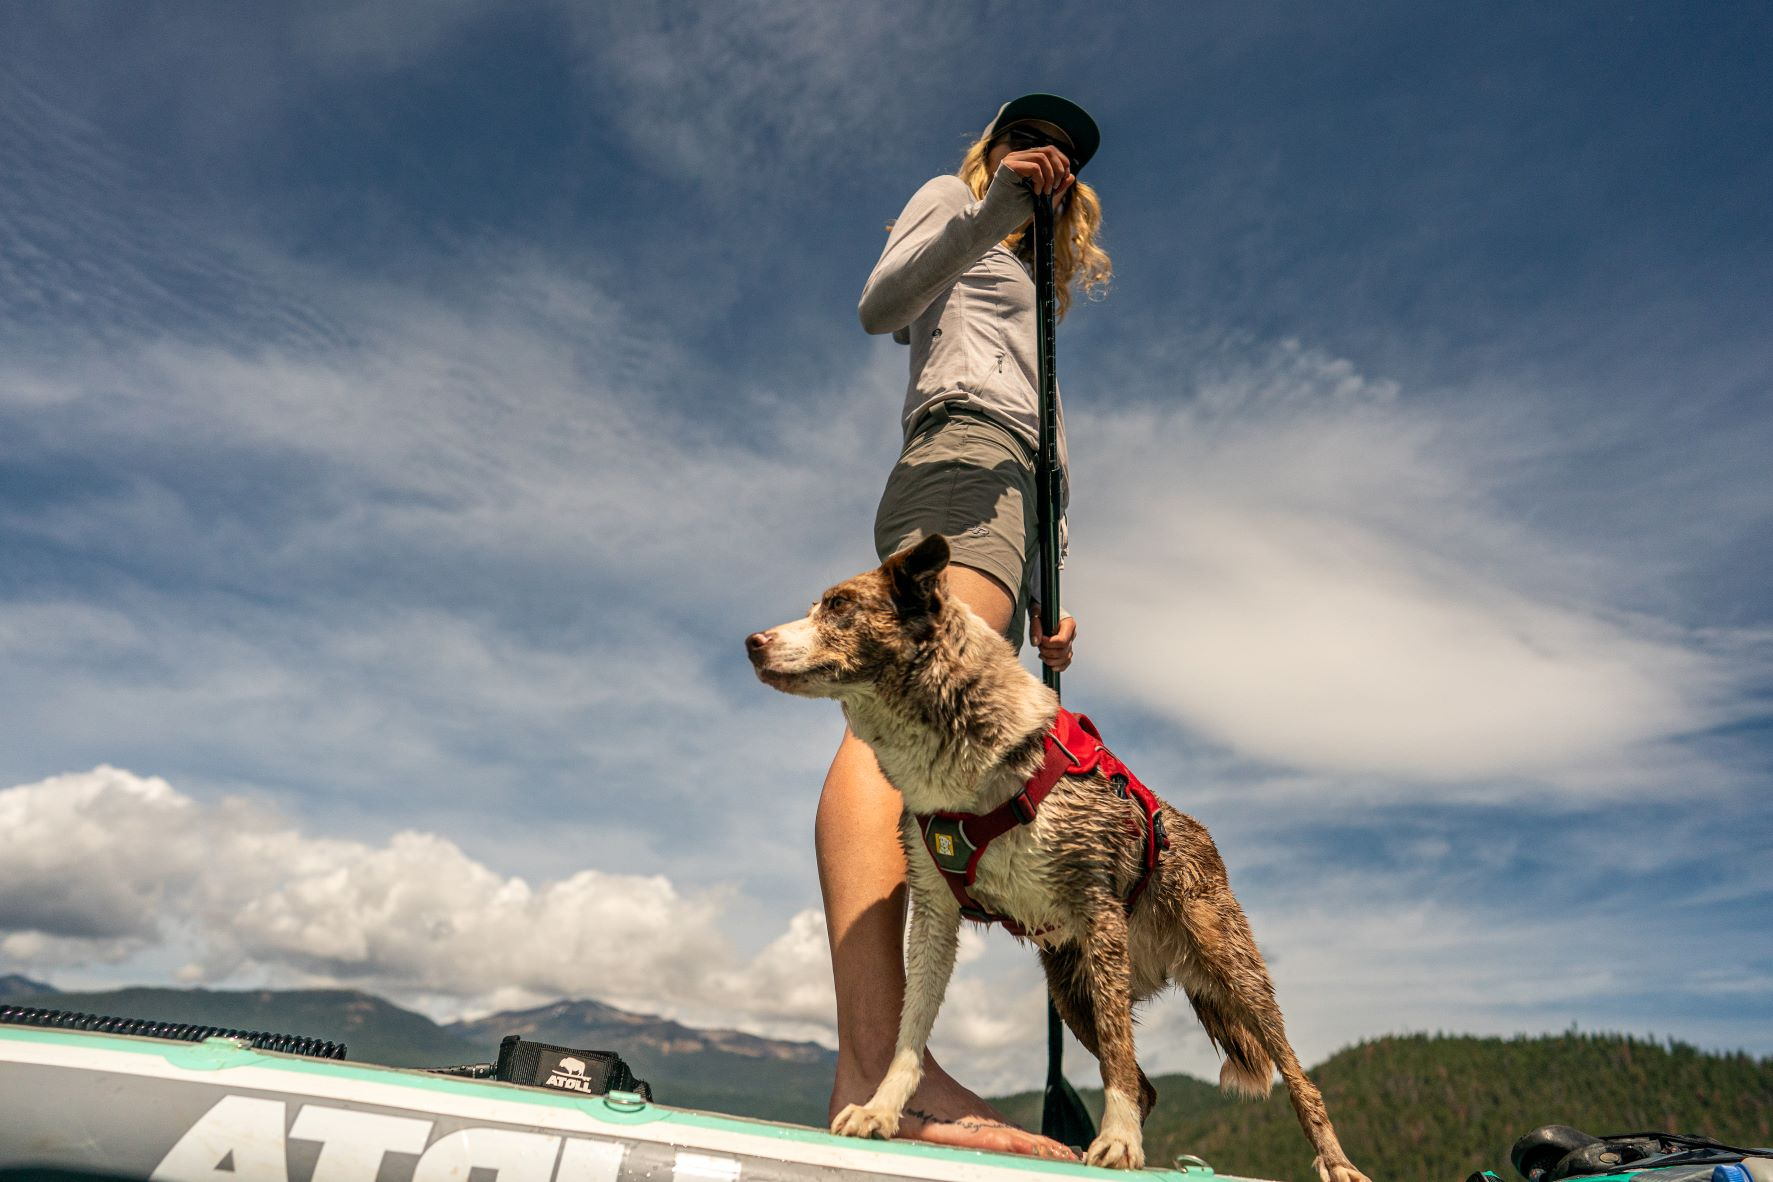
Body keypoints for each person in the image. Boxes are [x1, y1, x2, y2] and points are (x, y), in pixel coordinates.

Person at [815, 94, 1111, 1159]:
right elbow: (878, 304)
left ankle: (884, 1063)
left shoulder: (1040, 292)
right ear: (994, 148)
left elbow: (1046, 450)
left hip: (1010, 514)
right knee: (894, 739)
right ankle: (878, 1064)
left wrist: (1043, 603)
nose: (1055, 159)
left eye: (1070, 156)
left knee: (931, 748)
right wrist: (989, 212)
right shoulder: (956, 201)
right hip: (955, 468)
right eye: (1036, 139)